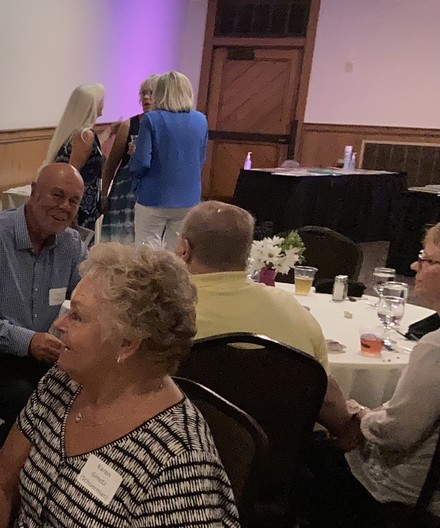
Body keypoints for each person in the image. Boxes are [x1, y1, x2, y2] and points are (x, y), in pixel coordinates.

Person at [0, 243, 243, 528]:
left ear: (126, 344)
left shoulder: (177, 459)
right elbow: (0, 481)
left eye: (77, 317)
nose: (59, 324)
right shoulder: (65, 382)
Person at [176, 200, 357, 444]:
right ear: (247, 253)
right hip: (282, 458)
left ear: (184, 249)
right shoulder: (293, 311)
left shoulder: (166, 314)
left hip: (182, 451)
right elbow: (328, 403)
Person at [0, 163, 87, 465]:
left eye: (74, 201)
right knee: (31, 402)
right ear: (34, 192)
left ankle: (52, 478)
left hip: (31, 356)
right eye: (57, 195)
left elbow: (91, 296)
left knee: (80, 389)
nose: (65, 207)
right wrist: (28, 341)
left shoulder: (71, 244)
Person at [339, 223, 440, 511]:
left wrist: (361, 415)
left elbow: (396, 434)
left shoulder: (434, 347)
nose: (414, 266)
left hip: (409, 492)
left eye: (426, 260)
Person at [128, 71, 208, 251]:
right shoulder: (201, 120)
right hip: (188, 196)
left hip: (153, 195)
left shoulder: (151, 119)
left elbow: (142, 162)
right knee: (177, 252)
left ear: (160, 92)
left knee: (147, 251)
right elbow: (201, 159)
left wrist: (133, 164)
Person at [100, 74, 159, 245]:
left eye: (151, 93)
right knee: (120, 244)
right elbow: (111, 164)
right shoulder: (129, 125)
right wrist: (104, 194)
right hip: (125, 193)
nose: (146, 98)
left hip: (151, 193)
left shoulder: (165, 126)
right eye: (143, 93)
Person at [44, 83, 105, 231]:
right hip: (79, 203)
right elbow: (72, 173)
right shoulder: (85, 136)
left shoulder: (75, 133)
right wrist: (71, 206)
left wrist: (109, 132)